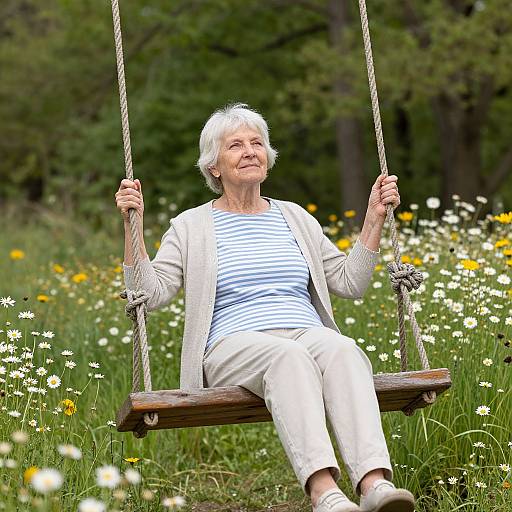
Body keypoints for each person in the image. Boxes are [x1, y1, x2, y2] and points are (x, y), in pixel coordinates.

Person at [116, 103, 415, 512]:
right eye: (235, 145)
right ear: (213, 166)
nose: (249, 150)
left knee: (343, 349)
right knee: (287, 357)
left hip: (304, 331)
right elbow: (149, 294)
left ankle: (373, 484)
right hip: (231, 344)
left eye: (257, 143)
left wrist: (374, 217)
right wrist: (132, 226)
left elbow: (350, 282)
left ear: (268, 158)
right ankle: (324, 492)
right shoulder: (191, 226)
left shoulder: (295, 218)